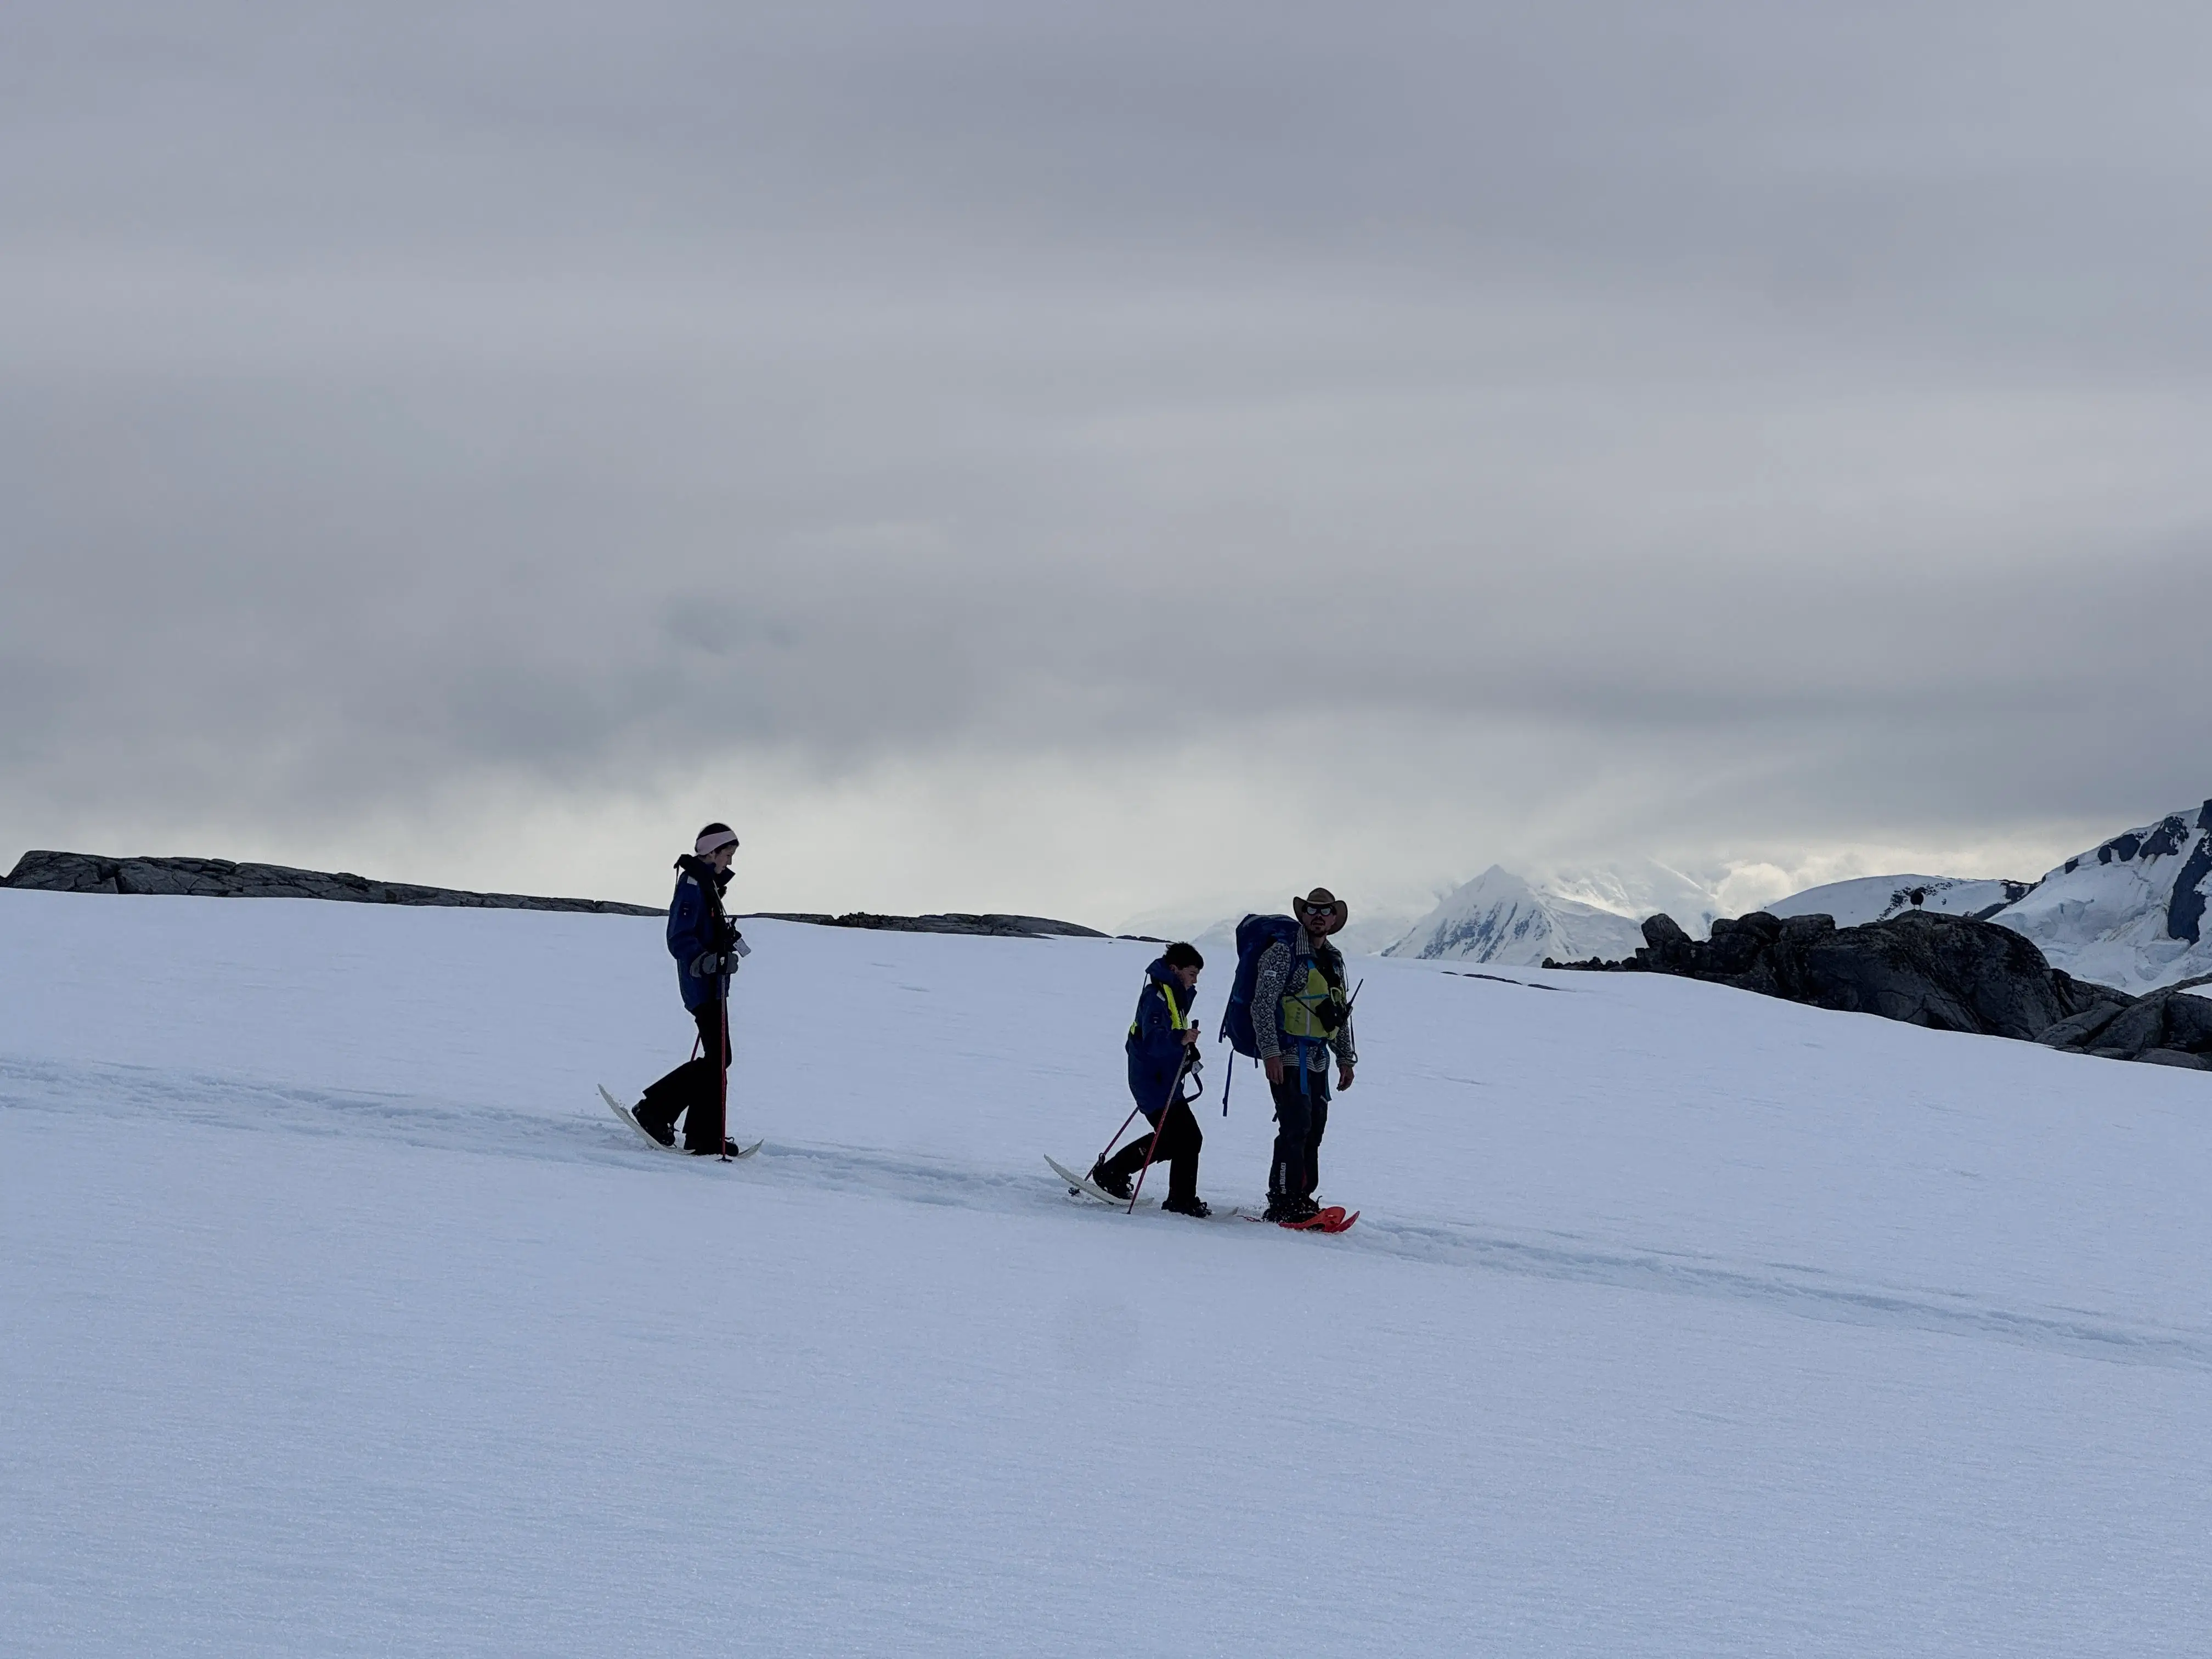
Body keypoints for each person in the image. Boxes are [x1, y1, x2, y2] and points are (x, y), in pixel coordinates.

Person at [632, 823, 748, 1155]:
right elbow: (679, 937)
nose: (729, 862)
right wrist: (706, 960)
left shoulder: (708, 885)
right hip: (702, 988)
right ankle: (656, 1110)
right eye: (727, 855)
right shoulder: (693, 885)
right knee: (719, 1059)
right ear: (710, 852)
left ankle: (701, 1134)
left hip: (714, 986)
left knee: (718, 1059)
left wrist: (723, 949)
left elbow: (704, 932)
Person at [1254, 888, 1357, 1223]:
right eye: (1313, 910)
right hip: (1286, 1055)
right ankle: (1282, 1200)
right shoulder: (1283, 953)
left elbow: (1339, 1012)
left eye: (1325, 911)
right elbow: (1262, 1006)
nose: (1319, 916)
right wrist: (1270, 1053)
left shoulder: (1334, 959)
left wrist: (1345, 1059)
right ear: (1303, 915)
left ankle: (1302, 1197)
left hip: (1318, 1060)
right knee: (1295, 1126)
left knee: (1314, 1130)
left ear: (1334, 919)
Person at [1090, 942, 1211, 1217]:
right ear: (1174, 969)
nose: (1195, 981)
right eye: (1192, 973)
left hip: (1163, 1081)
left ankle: (1114, 1173)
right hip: (1153, 1082)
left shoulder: (1172, 996)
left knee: (1175, 1139)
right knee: (1187, 1138)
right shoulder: (1156, 997)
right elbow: (1155, 1040)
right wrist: (1181, 1039)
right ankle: (1177, 1199)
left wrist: (1186, 1051)